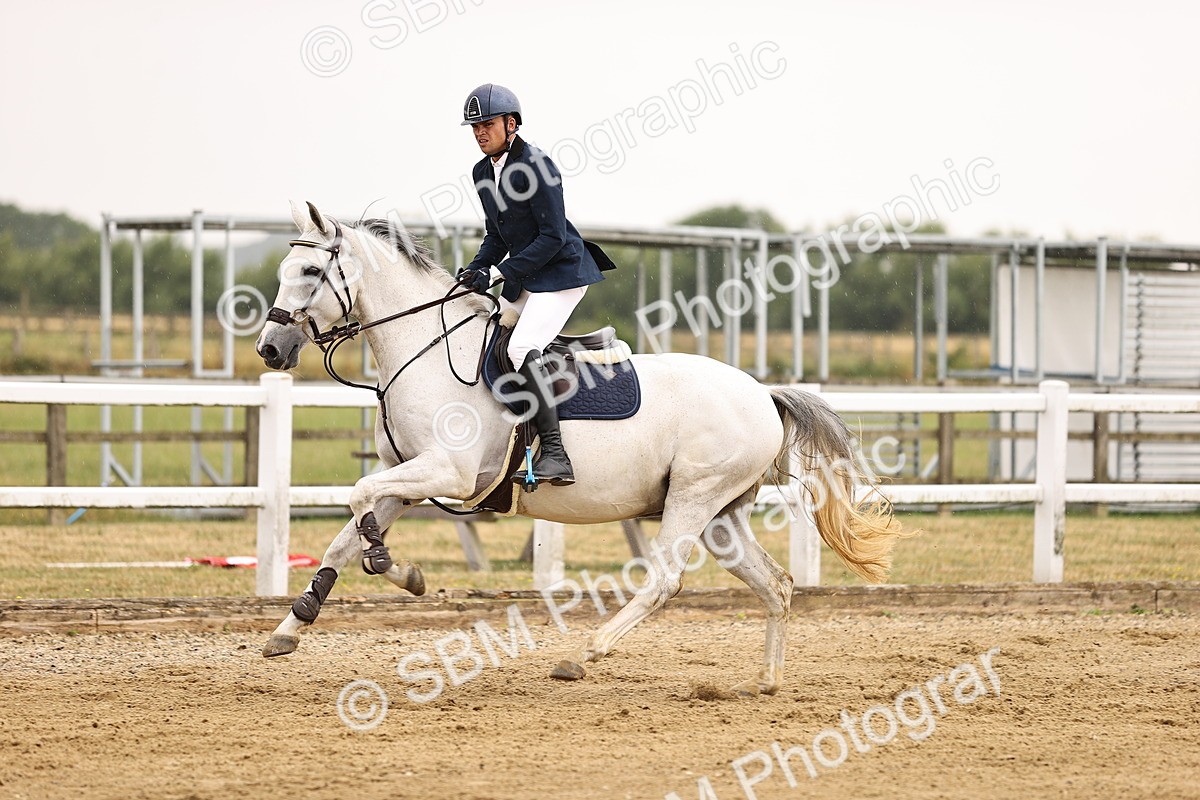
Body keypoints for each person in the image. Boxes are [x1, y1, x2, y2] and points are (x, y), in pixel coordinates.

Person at [458, 83, 616, 488]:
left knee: (520, 347)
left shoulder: (537, 166)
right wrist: (475, 269)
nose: (480, 132)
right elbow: (496, 235)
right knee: (485, 333)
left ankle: (557, 454)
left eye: (487, 124)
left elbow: (552, 237)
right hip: (529, 276)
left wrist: (497, 274)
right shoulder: (482, 172)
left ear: (511, 124)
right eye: (475, 126)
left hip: (561, 273)